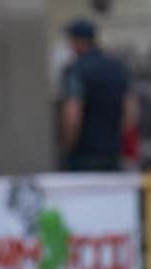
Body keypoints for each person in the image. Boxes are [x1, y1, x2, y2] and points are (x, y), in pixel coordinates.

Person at [59, 17, 136, 172]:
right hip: (112, 154)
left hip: (83, 156)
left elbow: (73, 114)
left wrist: (68, 146)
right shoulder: (118, 67)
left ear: (78, 42)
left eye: (71, 40)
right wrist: (115, 139)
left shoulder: (76, 70)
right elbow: (131, 113)